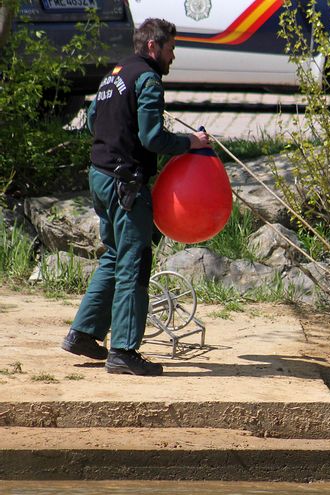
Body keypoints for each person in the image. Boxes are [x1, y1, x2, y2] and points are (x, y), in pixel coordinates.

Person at [60, 18, 210, 376]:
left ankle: (83, 333)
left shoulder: (115, 74)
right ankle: (124, 351)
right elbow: (152, 138)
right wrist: (191, 143)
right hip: (125, 185)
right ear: (152, 47)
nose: (174, 56)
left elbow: (95, 118)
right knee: (134, 261)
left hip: (100, 177)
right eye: (171, 48)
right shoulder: (147, 78)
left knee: (114, 255)